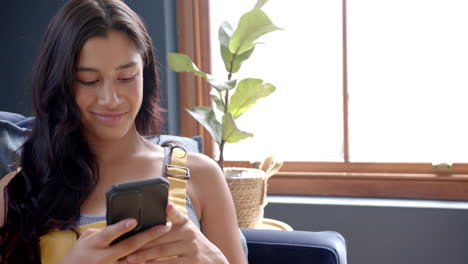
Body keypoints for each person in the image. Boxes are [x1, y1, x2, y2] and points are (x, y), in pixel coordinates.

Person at [0, 0, 247, 263]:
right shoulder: (17, 190)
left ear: (146, 75)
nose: (111, 99)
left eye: (126, 77)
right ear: (61, 84)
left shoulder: (203, 176)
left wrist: (214, 259)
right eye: (89, 81)